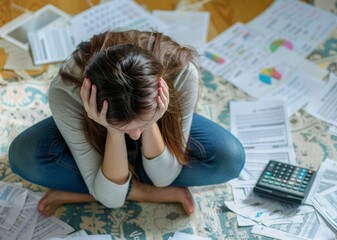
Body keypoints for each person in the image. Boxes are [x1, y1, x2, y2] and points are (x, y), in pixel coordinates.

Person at [8, 30, 245, 217]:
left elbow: (163, 178)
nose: (134, 136)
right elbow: (114, 200)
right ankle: (138, 189)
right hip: (96, 128)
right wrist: (112, 131)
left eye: (139, 125)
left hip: (158, 124)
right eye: (125, 129)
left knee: (230, 158)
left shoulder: (183, 73)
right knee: (25, 156)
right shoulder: (66, 89)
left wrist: (152, 121)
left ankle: (99, 188)